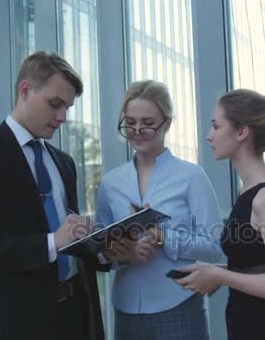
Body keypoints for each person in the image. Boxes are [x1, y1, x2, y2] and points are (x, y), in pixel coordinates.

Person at [0, 51, 109, 340]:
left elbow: (66, 239)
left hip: (74, 317)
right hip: (14, 326)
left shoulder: (63, 162)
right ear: (25, 90)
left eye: (67, 108)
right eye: (55, 104)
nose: (62, 118)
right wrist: (50, 243)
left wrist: (96, 244)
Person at [95, 79, 223, 340]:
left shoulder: (192, 177)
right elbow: (98, 252)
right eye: (130, 122)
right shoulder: (110, 184)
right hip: (126, 309)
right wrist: (124, 253)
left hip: (179, 306)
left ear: (167, 123)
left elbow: (215, 247)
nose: (137, 130)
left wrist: (165, 238)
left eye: (148, 123)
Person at [174, 89, 265, 339]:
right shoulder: (251, 191)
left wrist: (219, 275)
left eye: (215, 126)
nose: (208, 135)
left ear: (241, 132)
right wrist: (215, 273)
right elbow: (259, 264)